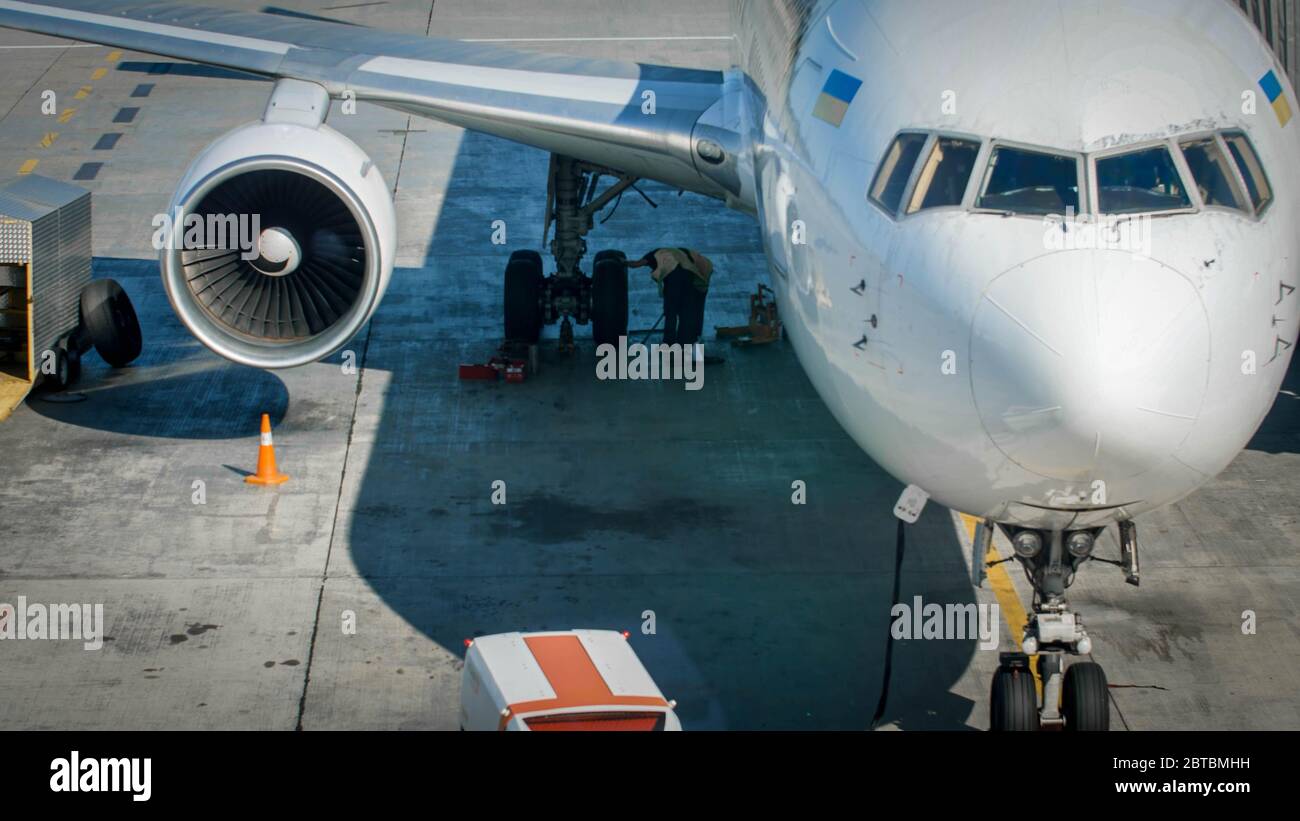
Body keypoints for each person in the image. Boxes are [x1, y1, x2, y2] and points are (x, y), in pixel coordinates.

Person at [627, 247, 713, 346]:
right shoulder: (688, 255)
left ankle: (669, 343)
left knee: (671, 314)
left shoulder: (654, 255)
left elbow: (636, 264)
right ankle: (685, 342)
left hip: (675, 282)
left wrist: (623, 262)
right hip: (688, 282)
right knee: (686, 315)